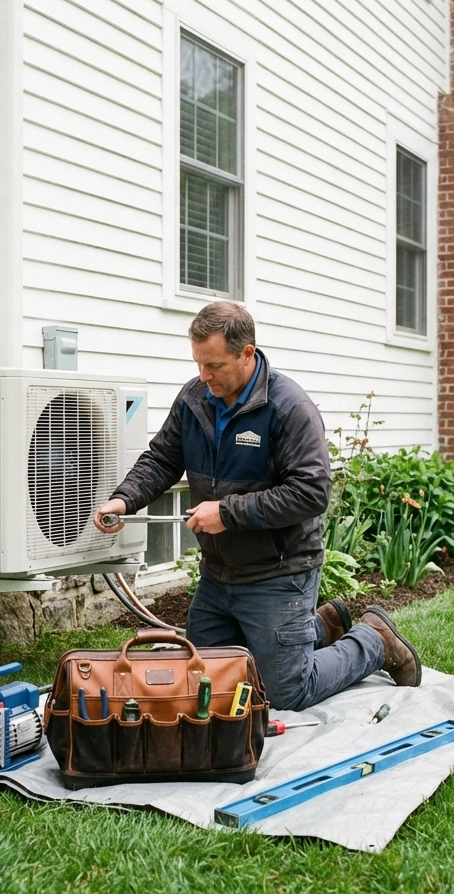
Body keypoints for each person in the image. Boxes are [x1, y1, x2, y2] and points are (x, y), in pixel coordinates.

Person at [94, 301, 421, 711]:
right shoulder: (195, 398)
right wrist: (125, 499)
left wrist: (227, 513)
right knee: (204, 684)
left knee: (285, 694)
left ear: (247, 353)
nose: (203, 375)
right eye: (198, 363)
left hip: (279, 573)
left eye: (214, 365)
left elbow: (311, 492)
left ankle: (373, 639)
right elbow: (162, 459)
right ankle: (320, 628)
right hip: (219, 575)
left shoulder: (289, 408)